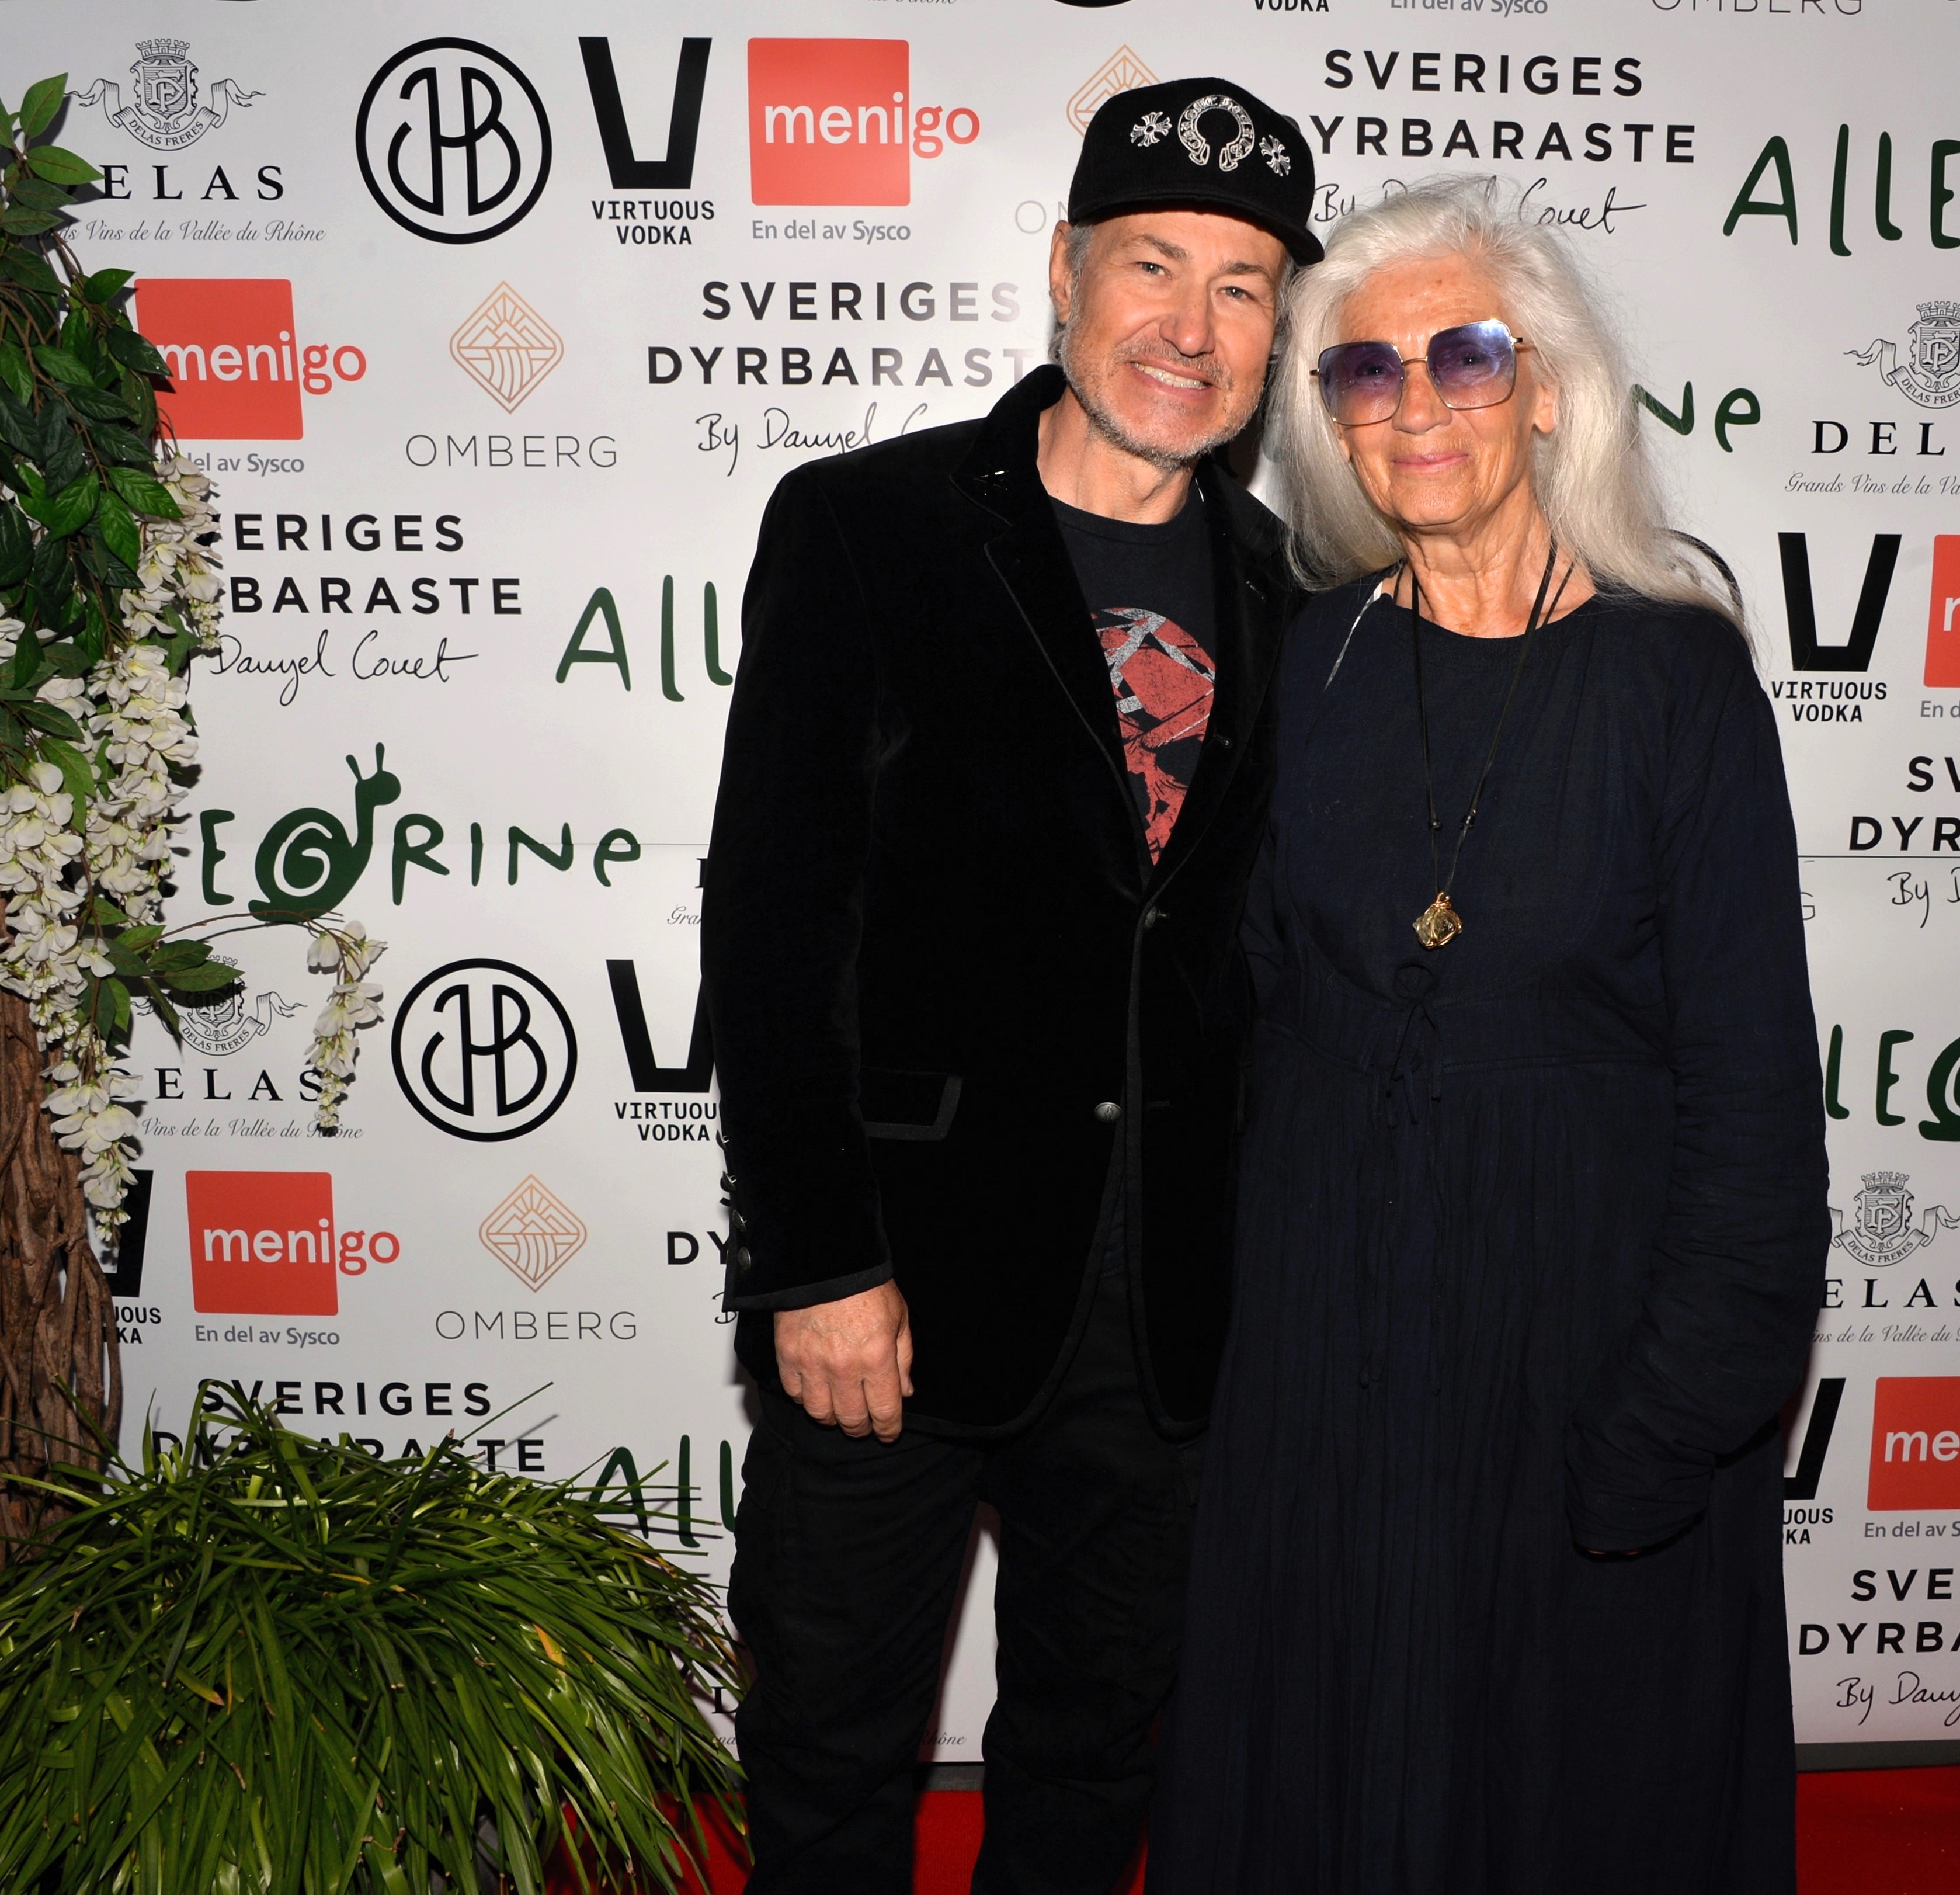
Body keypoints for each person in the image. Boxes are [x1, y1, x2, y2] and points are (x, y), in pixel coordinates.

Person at [1146, 176, 1829, 1894]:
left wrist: (1660, 1432)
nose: (1417, 404)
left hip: (1583, 1385)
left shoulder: (1678, 683)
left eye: (1464, 355)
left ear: (1545, 389)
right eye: (1363, 372)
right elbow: (1229, 1029)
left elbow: (1754, 1108)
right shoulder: (1306, 666)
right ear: (1330, 423)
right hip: (1324, 1392)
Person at [700, 78, 1319, 1895]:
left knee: (1094, 1744)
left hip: (1168, 1315)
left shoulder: (1288, 588)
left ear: (1279, 327)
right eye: (1152, 265)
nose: (1190, 326)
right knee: (830, 1747)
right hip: (895, 1281)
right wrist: (817, 1261)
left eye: (1241, 285)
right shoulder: (870, 526)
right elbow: (774, 916)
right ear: (1063, 270)